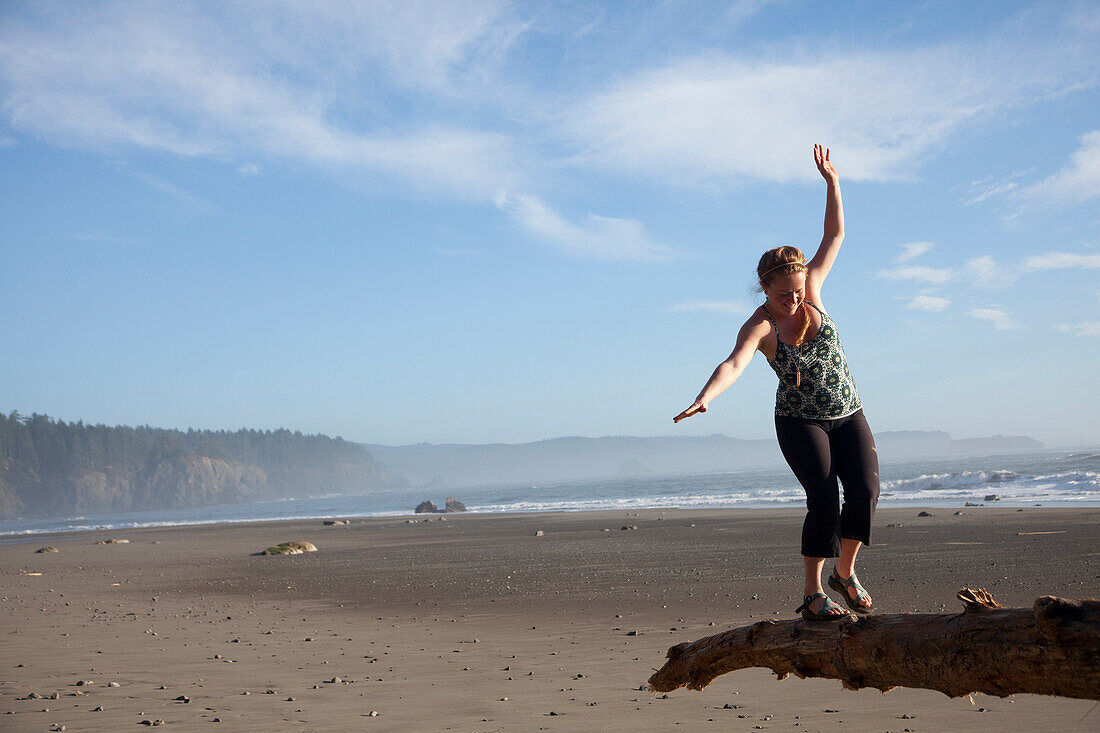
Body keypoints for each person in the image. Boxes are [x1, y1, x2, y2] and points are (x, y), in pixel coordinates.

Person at [673, 144, 878, 621]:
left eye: (799, 289)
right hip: (800, 422)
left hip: (848, 412)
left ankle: (844, 574)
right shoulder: (762, 325)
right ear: (765, 288)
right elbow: (734, 363)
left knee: (866, 490)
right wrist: (705, 398)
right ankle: (811, 593)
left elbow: (835, 234)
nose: (794, 299)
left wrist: (833, 183)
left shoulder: (815, 291)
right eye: (783, 293)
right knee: (824, 499)